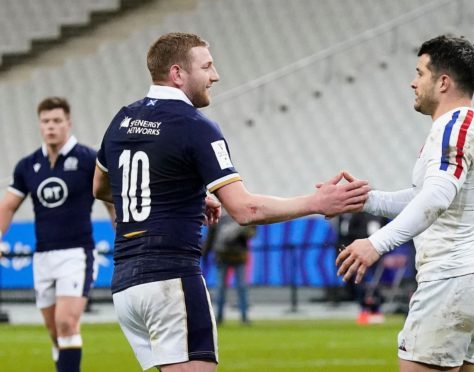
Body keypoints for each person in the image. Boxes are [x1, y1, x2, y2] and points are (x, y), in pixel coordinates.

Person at [92, 32, 369, 372]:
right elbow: (245, 209)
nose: (216, 75)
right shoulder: (195, 126)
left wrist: (189, 194)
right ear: (178, 74)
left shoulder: (122, 119)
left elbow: (101, 187)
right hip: (170, 279)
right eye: (206, 66)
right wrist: (317, 201)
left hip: (125, 284)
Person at [336, 35, 474, 372]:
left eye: (420, 73)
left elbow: (436, 198)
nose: (413, 83)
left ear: (443, 82)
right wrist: (365, 200)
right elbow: (426, 195)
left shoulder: (453, 129)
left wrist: (376, 243)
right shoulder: (472, 126)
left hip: (450, 281)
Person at [0, 97, 115, 372]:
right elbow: (8, 205)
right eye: (46, 121)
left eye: (56, 121)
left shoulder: (89, 160)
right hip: (43, 256)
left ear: (68, 123)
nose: (51, 126)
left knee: (66, 322)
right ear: (40, 125)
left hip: (77, 253)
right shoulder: (28, 165)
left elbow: (110, 202)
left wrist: (126, 237)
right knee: (55, 330)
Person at [210, 213, 256, 325]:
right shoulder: (224, 217)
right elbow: (212, 236)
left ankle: (243, 317)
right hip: (226, 256)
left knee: (239, 287)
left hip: (235, 256)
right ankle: (220, 317)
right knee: (224, 288)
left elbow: (251, 234)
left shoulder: (239, 217)